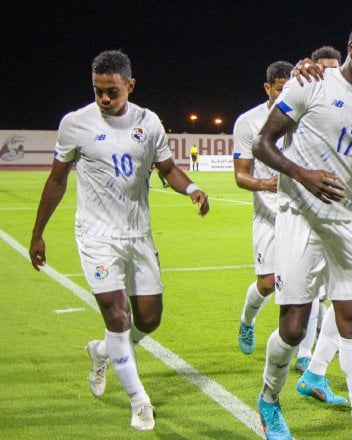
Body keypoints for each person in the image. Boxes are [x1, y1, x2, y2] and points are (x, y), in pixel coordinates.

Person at [28, 50, 209, 431]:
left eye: (112, 91)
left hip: (138, 234)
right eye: (98, 91)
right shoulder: (75, 123)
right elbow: (57, 179)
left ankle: (102, 352)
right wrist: (38, 233)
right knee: (119, 318)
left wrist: (192, 188)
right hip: (96, 236)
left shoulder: (149, 122)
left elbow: (168, 168)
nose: (105, 99)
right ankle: (139, 401)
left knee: (149, 319)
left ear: (130, 85)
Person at [252, 21, 352, 440]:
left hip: (347, 220)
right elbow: (262, 144)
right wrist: (302, 175)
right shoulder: (310, 83)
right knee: (295, 326)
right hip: (299, 216)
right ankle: (268, 399)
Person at [232, 61, 294, 355]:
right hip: (268, 216)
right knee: (268, 283)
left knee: (310, 288)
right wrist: (265, 184)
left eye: (290, 90)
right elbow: (241, 175)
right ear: (268, 88)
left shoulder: (303, 116)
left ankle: (306, 357)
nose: (285, 96)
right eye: (280, 90)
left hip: (301, 214)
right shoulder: (248, 122)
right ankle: (247, 320)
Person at [292, 47, 342, 373]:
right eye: (321, 70)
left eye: (333, 70)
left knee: (336, 291)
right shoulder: (303, 99)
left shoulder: (348, 103)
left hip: (343, 211)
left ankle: (313, 359)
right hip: (305, 210)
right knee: (308, 291)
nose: (328, 76)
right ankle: (302, 354)